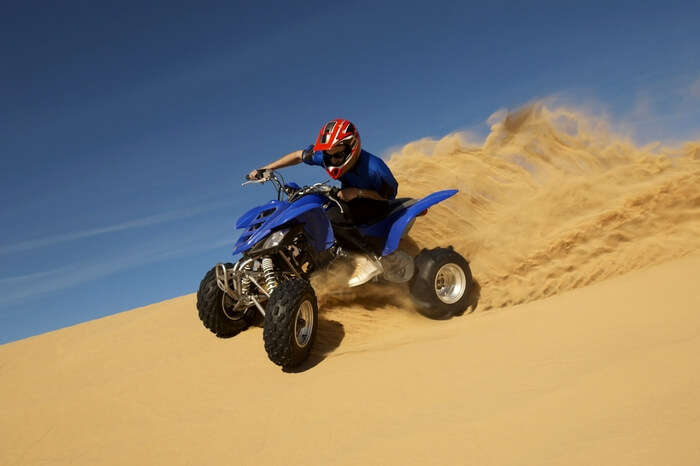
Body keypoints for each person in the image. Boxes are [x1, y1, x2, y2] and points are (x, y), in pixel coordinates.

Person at [248, 118, 398, 287]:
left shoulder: (375, 168)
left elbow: (389, 196)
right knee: (313, 214)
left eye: (338, 155)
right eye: (328, 155)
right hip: (347, 198)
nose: (332, 160)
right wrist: (268, 168)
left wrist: (358, 192)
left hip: (374, 204)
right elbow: (298, 155)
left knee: (332, 216)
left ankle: (368, 259)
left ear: (352, 147)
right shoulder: (326, 156)